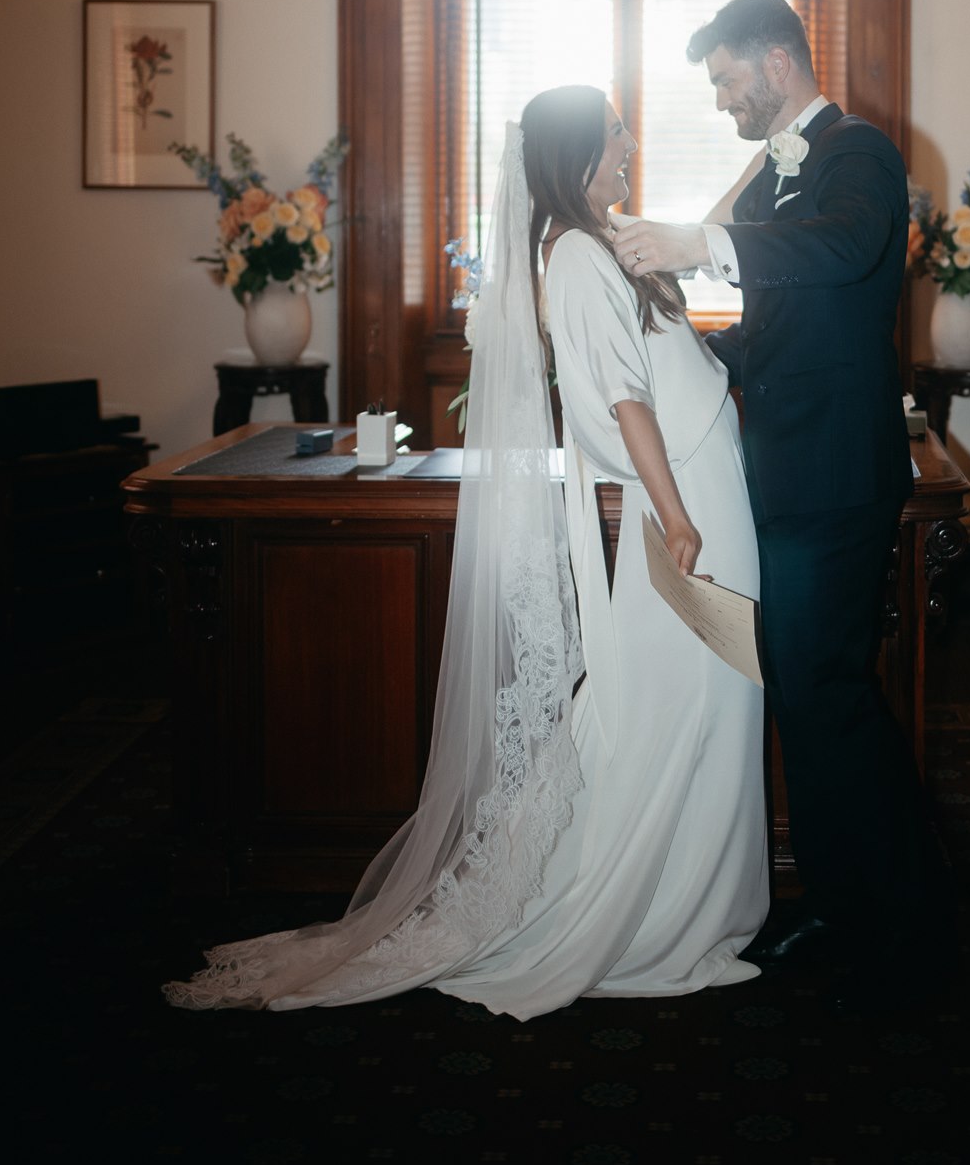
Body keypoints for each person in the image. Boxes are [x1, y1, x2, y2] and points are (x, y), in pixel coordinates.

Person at [163, 85, 767, 1020]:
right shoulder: (570, 257)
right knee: (681, 703)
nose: (631, 142)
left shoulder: (607, 235)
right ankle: (653, 920)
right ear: (575, 156)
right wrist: (679, 517)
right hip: (688, 495)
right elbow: (621, 400)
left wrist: (779, 152)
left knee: (697, 703)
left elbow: (708, 231)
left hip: (707, 482)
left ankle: (687, 907)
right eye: (615, 132)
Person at [612, 0, 956, 1010]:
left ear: (774, 58)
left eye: (724, 78)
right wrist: (687, 346)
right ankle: (890, 888)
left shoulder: (860, 153)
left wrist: (694, 243)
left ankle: (871, 909)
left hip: (836, 474)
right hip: (786, 470)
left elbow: (844, 251)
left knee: (821, 691)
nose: (719, 101)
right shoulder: (772, 175)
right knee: (818, 690)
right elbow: (776, 325)